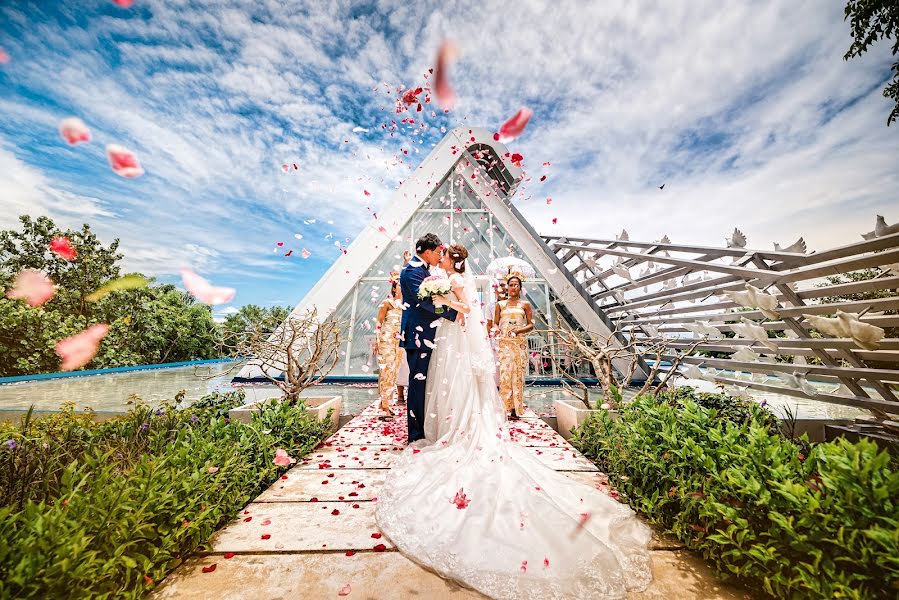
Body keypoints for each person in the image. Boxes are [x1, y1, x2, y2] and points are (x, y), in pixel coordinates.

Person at [375, 244, 652, 600]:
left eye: (444, 256)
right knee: (451, 386)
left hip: (453, 337)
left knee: (454, 386)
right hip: (449, 337)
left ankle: (455, 428)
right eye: (439, 254)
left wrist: (447, 304)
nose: (440, 259)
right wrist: (444, 303)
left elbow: (463, 311)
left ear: (451, 260)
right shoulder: (446, 277)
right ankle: (451, 425)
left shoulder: (455, 279)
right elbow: (462, 311)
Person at [398, 233, 460, 443]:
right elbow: (424, 301)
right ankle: (415, 435)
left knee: (425, 382)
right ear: (427, 252)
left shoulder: (423, 270)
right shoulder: (413, 271)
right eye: (438, 252)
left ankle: (425, 427)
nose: (440, 256)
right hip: (418, 334)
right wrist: (454, 314)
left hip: (427, 333)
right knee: (417, 384)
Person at [494, 273, 534, 420]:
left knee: (518, 375)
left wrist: (518, 331)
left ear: (520, 288)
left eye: (516, 284)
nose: (513, 287)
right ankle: (505, 407)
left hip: (519, 343)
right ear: (507, 287)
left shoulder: (525, 305)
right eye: (511, 284)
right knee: (505, 375)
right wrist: (496, 329)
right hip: (504, 343)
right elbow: (495, 323)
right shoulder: (500, 305)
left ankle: (516, 409)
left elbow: (531, 325)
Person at [375, 274, 404, 420]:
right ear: (394, 287)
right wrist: (377, 340)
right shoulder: (387, 302)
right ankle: (386, 407)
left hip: (399, 343)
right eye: (399, 284)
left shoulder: (406, 305)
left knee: (394, 372)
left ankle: (385, 402)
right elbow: (379, 323)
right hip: (386, 340)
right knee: (387, 370)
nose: (401, 286)